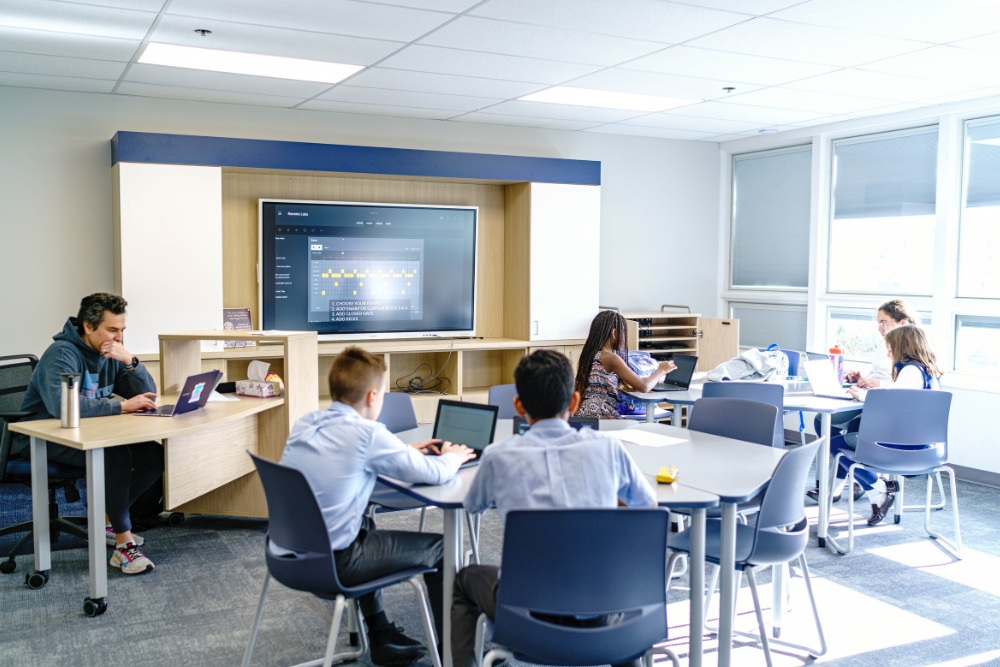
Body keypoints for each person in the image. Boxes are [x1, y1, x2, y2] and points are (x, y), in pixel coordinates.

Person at [452, 349, 657, 667]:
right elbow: (647, 508)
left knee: (466, 579)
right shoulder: (609, 450)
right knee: (616, 584)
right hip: (608, 613)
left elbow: (473, 505)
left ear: (518, 407)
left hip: (528, 619)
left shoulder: (498, 456)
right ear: (574, 403)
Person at [280, 346, 475, 666]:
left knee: (363, 524)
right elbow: (435, 472)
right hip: (336, 563)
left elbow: (351, 455)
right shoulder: (367, 435)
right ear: (372, 396)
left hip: (289, 554)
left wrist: (400, 449)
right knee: (443, 549)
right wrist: (454, 456)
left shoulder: (307, 423)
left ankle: (381, 635)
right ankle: (458, 655)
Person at [15, 293, 162, 575]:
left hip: (86, 434)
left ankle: (108, 520)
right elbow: (64, 408)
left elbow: (146, 394)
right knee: (115, 454)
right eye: (112, 330)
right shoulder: (61, 355)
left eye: (122, 331)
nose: (118, 337)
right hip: (44, 439)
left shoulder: (110, 353)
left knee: (153, 454)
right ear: (88, 326)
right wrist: (121, 406)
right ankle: (124, 545)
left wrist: (131, 361)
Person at [808, 298, 918, 505]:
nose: (879, 328)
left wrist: (876, 386)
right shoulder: (890, 348)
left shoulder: (911, 362)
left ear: (902, 322)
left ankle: (865, 481)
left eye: (883, 322)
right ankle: (852, 481)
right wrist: (861, 379)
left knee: (845, 436)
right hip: (879, 404)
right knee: (824, 422)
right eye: (878, 322)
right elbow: (882, 378)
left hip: (886, 415)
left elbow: (898, 392)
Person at [834, 325, 943, 525]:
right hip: (928, 450)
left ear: (903, 346)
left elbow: (891, 405)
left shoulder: (910, 370)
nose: (888, 352)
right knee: (856, 430)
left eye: (891, 347)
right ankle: (875, 491)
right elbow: (901, 398)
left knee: (836, 444)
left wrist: (862, 395)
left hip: (901, 450)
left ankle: (879, 489)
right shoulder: (928, 372)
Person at [574, 310, 676, 419]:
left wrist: (645, 379)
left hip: (586, 414)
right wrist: (661, 370)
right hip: (603, 416)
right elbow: (644, 386)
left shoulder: (590, 354)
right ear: (614, 333)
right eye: (623, 332)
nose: (624, 337)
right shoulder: (611, 358)